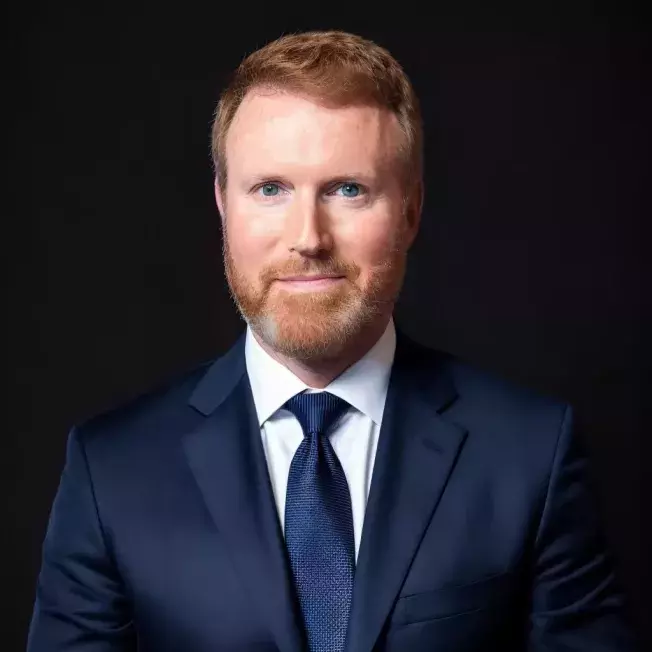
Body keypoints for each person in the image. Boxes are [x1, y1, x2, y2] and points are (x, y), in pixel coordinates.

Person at [27, 30, 639, 652]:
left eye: (348, 189)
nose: (308, 237)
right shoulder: (111, 471)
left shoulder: (530, 455)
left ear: (409, 210)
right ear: (222, 204)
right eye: (270, 189)